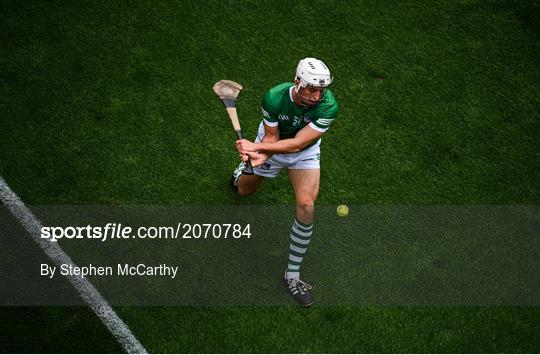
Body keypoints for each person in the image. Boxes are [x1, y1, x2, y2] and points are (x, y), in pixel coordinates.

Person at [230, 58, 339, 307]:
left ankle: (293, 275)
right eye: (311, 89)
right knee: (244, 191)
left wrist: (253, 148)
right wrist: (261, 154)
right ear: (297, 82)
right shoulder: (274, 97)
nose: (316, 95)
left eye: (320, 90)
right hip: (271, 143)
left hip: (304, 153)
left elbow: (299, 143)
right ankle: (240, 173)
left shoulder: (328, 106)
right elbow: (272, 137)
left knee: (307, 205)